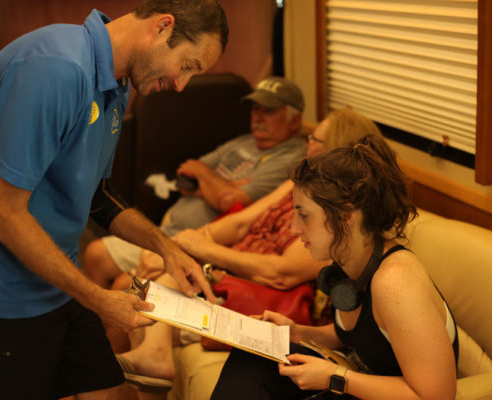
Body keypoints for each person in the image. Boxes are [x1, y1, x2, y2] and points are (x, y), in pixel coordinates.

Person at [0, 1, 227, 398]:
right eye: (187, 66)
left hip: (58, 281)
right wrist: (97, 297)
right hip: (2, 298)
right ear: (163, 28)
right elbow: (2, 213)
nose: (181, 85)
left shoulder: (117, 85)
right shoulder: (57, 69)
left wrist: (167, 249)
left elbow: (97, 195)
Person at [111, 109, 385, 392]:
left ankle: (151, 360)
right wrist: (174, 249)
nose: (307, 144)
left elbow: (283, 273)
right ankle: (149, 362)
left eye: (315, 140)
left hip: (252, 288)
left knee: (141, 300)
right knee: (136, 288)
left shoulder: (341, 228)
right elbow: (242, 222)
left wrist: (204, 252)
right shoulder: (301, 185)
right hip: (234, 275)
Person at [210, 134, 459, 400]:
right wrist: (297, 332)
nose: (295, 229)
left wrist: (336, 378)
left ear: (346, 214)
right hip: (359, 382)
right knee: (252, 356)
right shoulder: (346, 260)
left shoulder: (395, 281)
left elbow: (437, 396)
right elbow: (362, 335)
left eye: (304, 215)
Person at [85, 75, 307, 289]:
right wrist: (219, 185)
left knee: (120, 280)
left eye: (268, 111)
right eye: (256, 108)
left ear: (295, 120)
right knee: (96, 256)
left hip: (205, 243)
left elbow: (230, 201)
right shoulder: (244, 142)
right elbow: (186, 176)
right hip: (171, 230)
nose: (258, 117)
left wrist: (212, 182)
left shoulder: (291, 157)